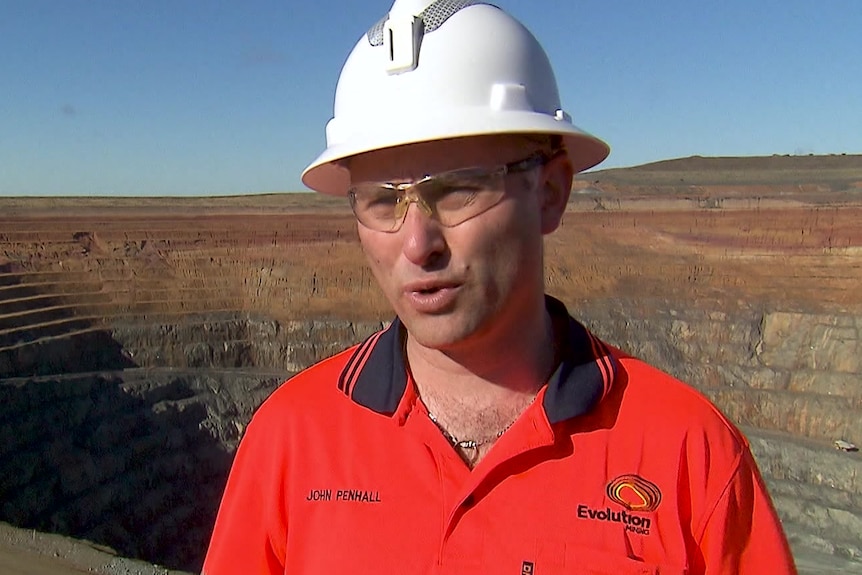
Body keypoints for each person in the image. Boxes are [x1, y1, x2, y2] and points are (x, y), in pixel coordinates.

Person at [203, 1, 798, 573]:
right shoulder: (291, 438)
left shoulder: (689, 455)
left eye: (457, 190)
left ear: (550, 194)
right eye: (384, 202)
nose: (417, 245)